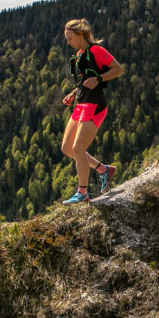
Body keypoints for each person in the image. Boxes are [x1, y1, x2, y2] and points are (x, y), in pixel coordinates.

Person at [59, 18, 124, 204]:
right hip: (81, 102)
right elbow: (85, 80)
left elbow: (118, 69)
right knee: (67, 148)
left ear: (80, 35)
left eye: (70, 38)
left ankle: (83, 192)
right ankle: (103, 170)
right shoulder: (81, 54)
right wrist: (73, 94)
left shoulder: (96, 51)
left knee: (78, 148)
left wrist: (100, 79)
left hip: (94, 104)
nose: (68, 42)